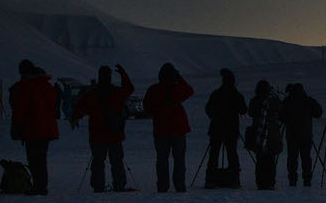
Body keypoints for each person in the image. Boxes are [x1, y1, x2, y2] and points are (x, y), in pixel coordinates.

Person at [72, 64, 134, 192]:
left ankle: (98, 186)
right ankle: (119, 185)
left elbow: (81, 107)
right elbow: (129, 89)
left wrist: (75, 118)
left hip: (97, 133)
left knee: (98, 162)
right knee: (116, 162)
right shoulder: (116, 92)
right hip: (114, 133)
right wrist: (123, 74)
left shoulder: (93, 93)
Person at [142, 62, 194, 192]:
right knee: (179, 160)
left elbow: (147, 109)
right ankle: (179, 185)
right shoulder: (176, 88)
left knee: (162, 160)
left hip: (161, 130)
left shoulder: (153, 90)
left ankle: (163, 186)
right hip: (178, 130)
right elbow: (189, 90)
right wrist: (179, 78)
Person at [10, 59, 59, 195]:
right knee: (41, 158)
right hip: (47, 129)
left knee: (34, 159)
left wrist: (17, 126)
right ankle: (41, 186)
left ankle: (39, 187)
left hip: (33, 128)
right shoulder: (47, 86)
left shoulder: (26, 87)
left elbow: (20, 109)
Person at [205, 68, 247, 188]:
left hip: (216, 129)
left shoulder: (216, 94)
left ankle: (211, 179)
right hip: (231, 129)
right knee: (232, 153)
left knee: (214, 153)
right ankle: (234, 179)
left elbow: (208, 109)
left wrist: (215, 116)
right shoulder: (236, 95)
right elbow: (244, 109)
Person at [280, 83, 323, 187]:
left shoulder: (287, 101)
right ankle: (307, 179)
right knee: (306, 158)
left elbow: (281, 116)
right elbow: (318, 112)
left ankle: (292, 179)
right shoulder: (308, 101)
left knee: (292, 158)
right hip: (306, 135)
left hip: (292, 135)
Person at [249, 79, 283, 190]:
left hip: (259, 134)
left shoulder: (255, 100)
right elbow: (281, 112)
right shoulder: (274, 100)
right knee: (270, 159)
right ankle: (270, 182)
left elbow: (251, 112)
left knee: (260, 160)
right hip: (273, 134)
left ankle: (261, 182)